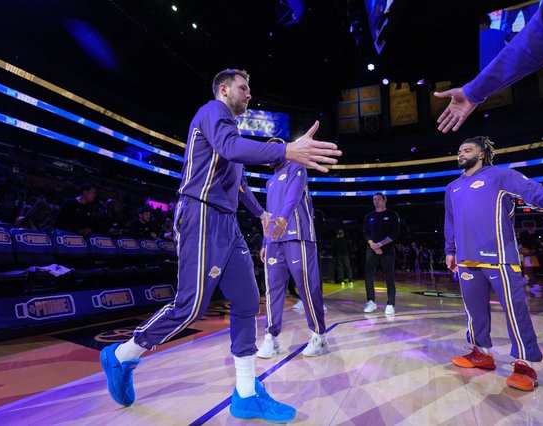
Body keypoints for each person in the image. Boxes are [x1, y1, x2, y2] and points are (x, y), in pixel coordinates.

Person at [99, 68, 341, 423]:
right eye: (244, 88)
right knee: (191, 306)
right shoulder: (213, 112)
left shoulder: (230, 131)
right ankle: (121, 355)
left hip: (226, 222)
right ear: (224, 89)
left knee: (246, 301)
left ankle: (245, 393)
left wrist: (261, 214)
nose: (249, 95)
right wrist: (286, 149)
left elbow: (239, 183)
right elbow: (232, 148)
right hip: (200, 213)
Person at [444, 136, 543, 391]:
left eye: (467, 149)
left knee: (516, 313)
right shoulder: (452, 187)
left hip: (500, 259)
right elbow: (450, 221)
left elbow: (536, 193)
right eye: (459, 150)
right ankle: (481, 353)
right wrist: (450, 250)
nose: (461, 153)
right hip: (466, 260)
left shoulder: (501, 176)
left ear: (481, 154)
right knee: (474, 312)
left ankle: (525, 364)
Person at [434, 0, 543, 133]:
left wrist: (474, 91)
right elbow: (531, 42)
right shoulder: (498, 34)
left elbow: (534, 43)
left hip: (490, 74)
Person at [256, 137, 327, 360]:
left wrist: (284, 219)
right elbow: (269, 213)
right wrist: (265, 242)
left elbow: (293, 197)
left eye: (274, 148)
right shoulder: (270, 181)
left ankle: (319, 336)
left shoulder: (298, 167)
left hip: (299, 236)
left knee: (308, 285)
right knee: (273, 289)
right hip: (274, 241)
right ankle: (271, 337)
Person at [362, 193, 400, 315]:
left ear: (385, 200)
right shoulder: (369, 216)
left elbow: (395, 233)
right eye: (374, 199)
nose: (376, 201)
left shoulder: (392, 215)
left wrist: (380, 244)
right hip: (371, 250)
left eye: (378, 199)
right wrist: (373, 244)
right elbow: (365, 233)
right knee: (368, 275)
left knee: (389, 276)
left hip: (387, 251)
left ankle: (390, 304)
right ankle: (371, 301)